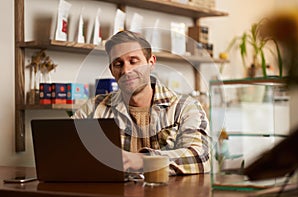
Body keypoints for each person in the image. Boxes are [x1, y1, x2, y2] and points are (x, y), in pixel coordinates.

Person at [72, 30, 210, 175]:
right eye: (118, 64)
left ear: (151, 63)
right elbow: (63, 148)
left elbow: (200, 157)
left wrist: (142, 160)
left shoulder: (185, 107)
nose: (126, 70)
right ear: (111, 70)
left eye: (133, 61)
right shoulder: (93, 108)